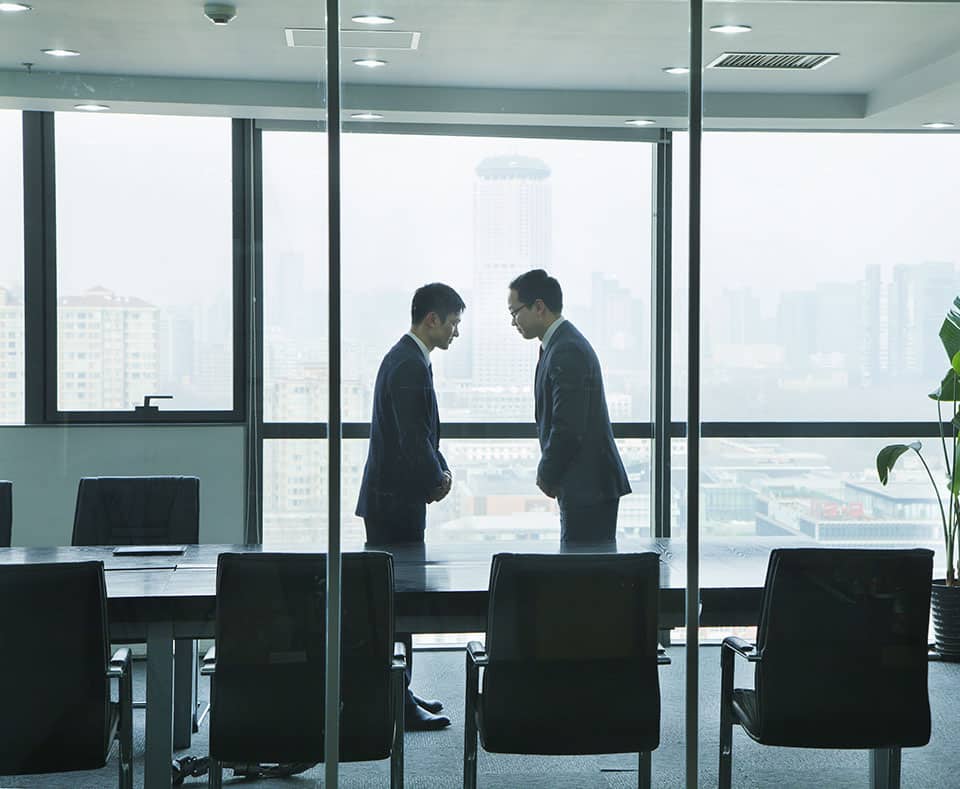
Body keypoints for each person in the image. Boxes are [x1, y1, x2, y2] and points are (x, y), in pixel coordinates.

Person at [356, 282, 465, 730]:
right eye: (453, 323)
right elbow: (411, 439)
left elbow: (418, 434)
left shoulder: (407, 359)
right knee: (396, 605)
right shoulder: (408, 365)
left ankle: (400, 692)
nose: (456, 333)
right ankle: (397, 704)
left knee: (396, 603)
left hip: (392, 500)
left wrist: (436, 469)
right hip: (394, 503)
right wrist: (436, 478)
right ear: (432, 320)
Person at [507, 268, 630, 542]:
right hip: (585, 484)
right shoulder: (559, 344)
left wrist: (546, 473)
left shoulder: (566, 349)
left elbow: (568, 426)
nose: (513, 322)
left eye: (514, 312)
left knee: (583, 575)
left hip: (589, 486)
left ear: (538, 307)